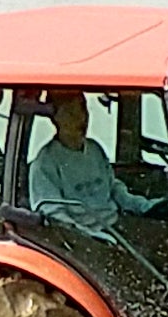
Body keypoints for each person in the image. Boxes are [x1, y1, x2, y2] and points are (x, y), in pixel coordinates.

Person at [24, 92, 134, 238]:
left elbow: (112, 188)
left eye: (83, 109)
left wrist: (143, 206)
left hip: (115, 227)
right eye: (71, 112)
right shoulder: (44, 165)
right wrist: (92, 236)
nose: (81, 118)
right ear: (55, 118)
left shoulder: (95, 150)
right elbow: (55, 217)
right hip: (81, 241)